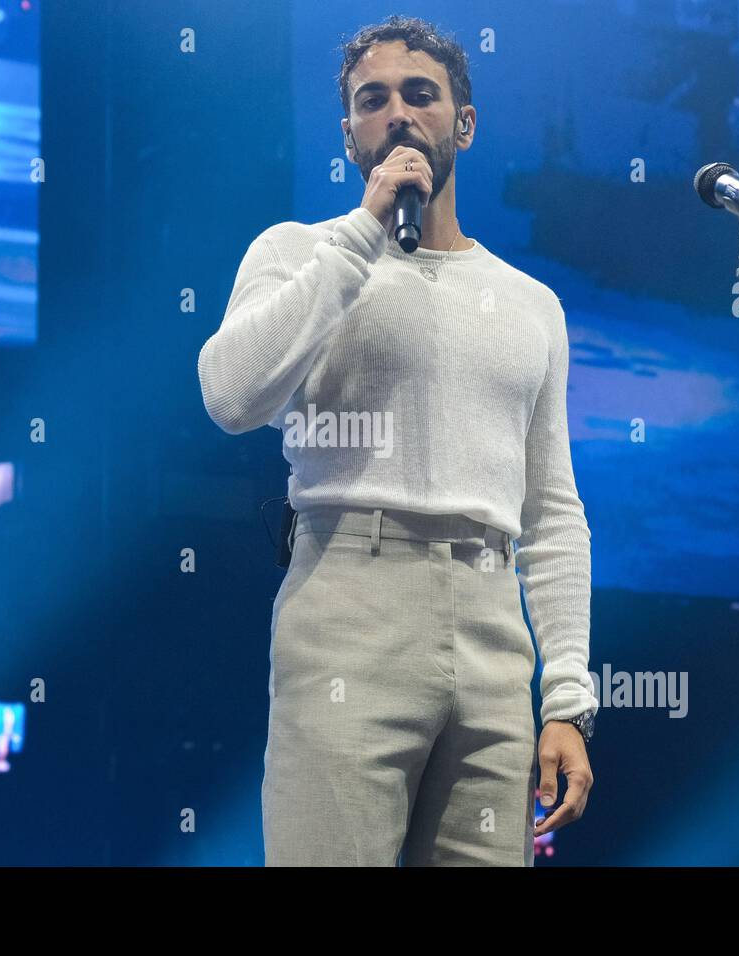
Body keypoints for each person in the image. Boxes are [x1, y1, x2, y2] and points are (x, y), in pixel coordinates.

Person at [197, 15, 596, 866]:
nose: (398, 115)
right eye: (371, 101)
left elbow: (555, 514)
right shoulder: (300, 252)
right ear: (348, 133)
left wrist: (565, 697)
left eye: (422, 95)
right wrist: (361, 236)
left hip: (493, 630)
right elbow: (230, 394)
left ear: (465, 121)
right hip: (349, 604)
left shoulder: (531, 304)